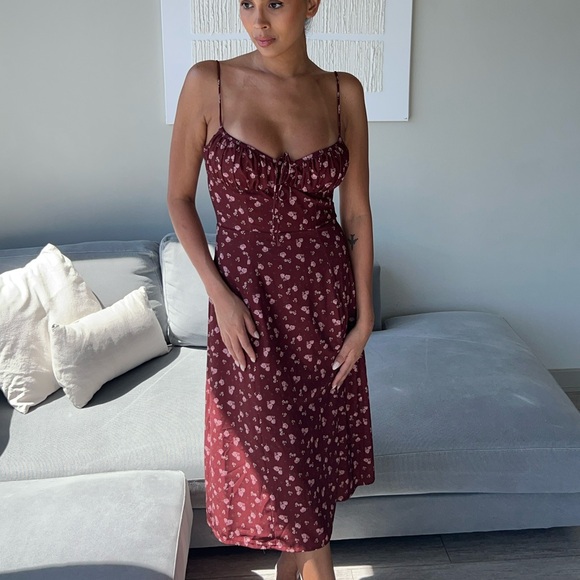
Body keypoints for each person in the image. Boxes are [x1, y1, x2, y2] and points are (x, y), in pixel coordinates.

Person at [167, 1, 375, 578]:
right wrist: (220, 297)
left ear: (311, 5)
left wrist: (364, 317)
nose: (258, 19)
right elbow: (179, 199)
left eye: (276, 3)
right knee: (286, 471)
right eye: (246, 3)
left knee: (310, 472)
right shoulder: (208, 83)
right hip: (249, 309)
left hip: (325, 306)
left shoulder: (343, 93)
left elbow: (356, 212)